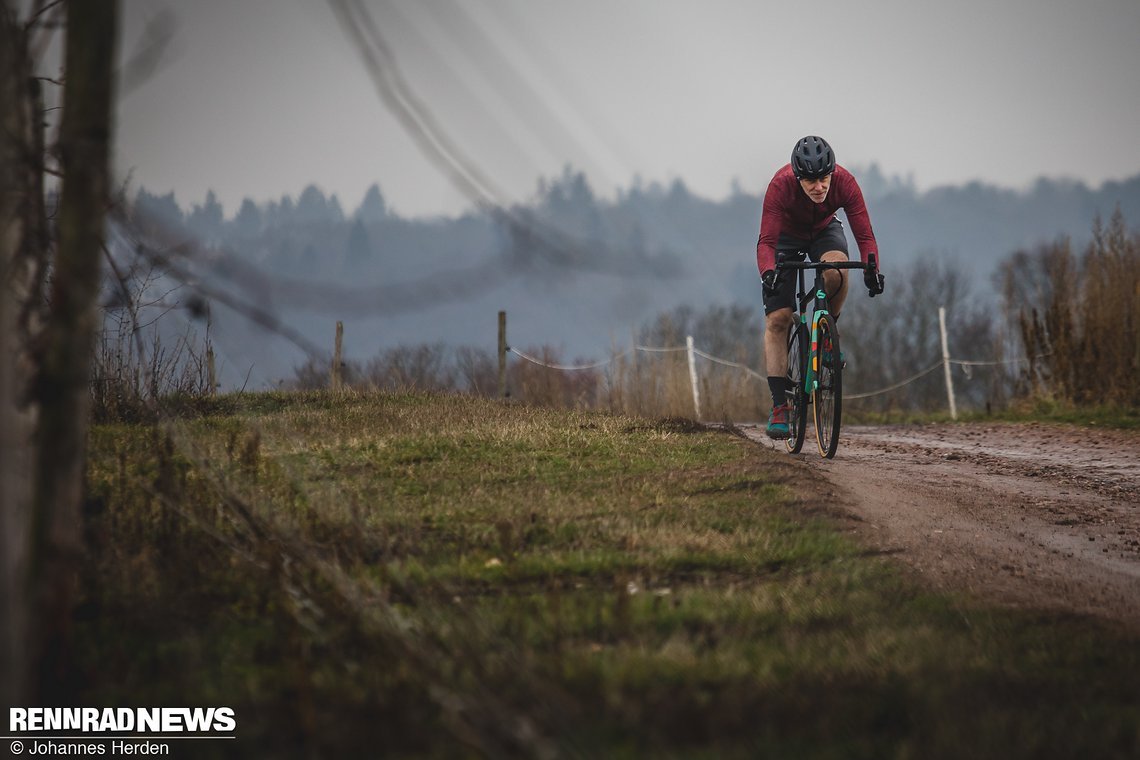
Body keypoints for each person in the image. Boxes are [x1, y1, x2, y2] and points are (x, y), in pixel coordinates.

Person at [756, 136, 885, 439]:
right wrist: (768, 272)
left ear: (832, 172)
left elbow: (865, 236)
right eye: (811, 180)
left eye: (824, 178)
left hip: (824, 230)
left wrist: (873, 270)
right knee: (778, 319)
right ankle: (779, 406)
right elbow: (766, 243)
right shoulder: (780, 186)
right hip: (785, 237)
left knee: (837, 268)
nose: (819, 186)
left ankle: (827, 331)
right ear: (798, 177)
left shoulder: (845, 183)